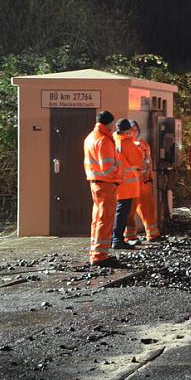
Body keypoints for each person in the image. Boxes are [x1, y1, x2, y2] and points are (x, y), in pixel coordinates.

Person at [83, 110, 122, 266]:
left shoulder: (90, 138)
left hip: (96, 183)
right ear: (109, 123)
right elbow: (107, 168)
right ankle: (100, 256)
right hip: (106, 183)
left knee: (98, 218)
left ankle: (96, 251)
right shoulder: (104, 140)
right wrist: (120, 173)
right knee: (105, 219)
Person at [124, 120, 161, 243]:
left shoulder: (144, 144)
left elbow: (148, 162)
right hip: (131, 183)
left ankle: (152, 234)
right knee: (130, 211)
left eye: (136, 130)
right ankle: (129, 235)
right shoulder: (125, 144)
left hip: (144, 182)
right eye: (131, 130)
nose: (134, 133)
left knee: (148, 208)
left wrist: (149, 177)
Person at [112, 119, 143, 250]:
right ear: (128, 130)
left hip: (114, 181)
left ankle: (113, 238)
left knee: (114, 211)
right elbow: (137, 159)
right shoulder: (126, 141)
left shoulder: (112, 139)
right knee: (123, 212)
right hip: (127, 184)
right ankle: (118, 239)